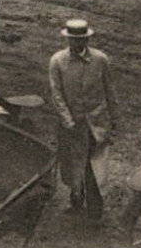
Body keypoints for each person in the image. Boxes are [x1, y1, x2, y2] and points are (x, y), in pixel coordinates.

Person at [48, 19, 120, 221]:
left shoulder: (100, 60)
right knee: (73, 164)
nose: (78, 44)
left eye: (82, 40)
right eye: (73, 40)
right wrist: (67, 120)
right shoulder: (57, 61)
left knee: (94, 168)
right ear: (68, 39)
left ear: (88, 39)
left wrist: (114, 121)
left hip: (96, 123)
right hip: (71, 124)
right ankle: (76, 199)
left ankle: (95, 210)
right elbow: (57, 94)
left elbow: (110, 90)